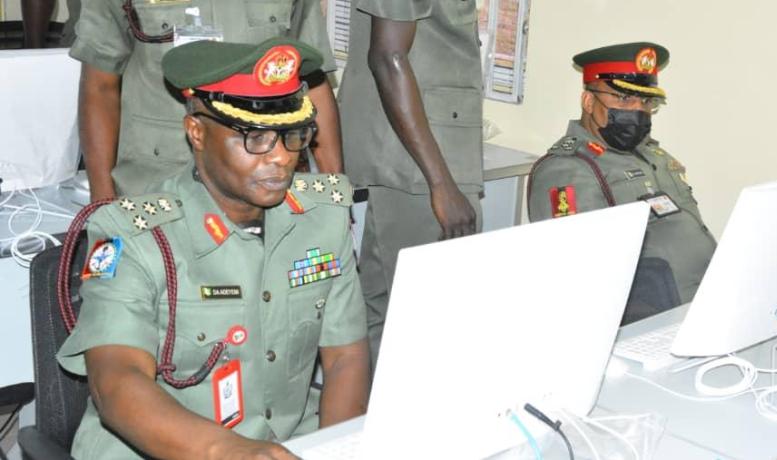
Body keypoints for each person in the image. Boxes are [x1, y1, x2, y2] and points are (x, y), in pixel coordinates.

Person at [57, 38, 368, 459]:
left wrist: (339, 450)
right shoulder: (133, 235)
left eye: (292, 135)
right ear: (197, 132)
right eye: (256, 138)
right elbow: (116, 382)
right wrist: (230, 453)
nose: (280, 157)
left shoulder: (323, 218)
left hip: (289, 444)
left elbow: (346, 357)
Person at [72, 0, 343, 201]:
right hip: (157, 184)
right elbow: (100, 86)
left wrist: (335, 195)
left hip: (263, 179)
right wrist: (102, 201)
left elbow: (311, 79)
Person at [337, 0, 484, 369]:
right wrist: (442, 183)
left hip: (421, 155)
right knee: (430, 332)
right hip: (421, 165)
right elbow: (387, 58)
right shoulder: (435, 180)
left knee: (381, 315)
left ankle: (367, 406)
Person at [527, 42, 717, 325]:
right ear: (588, 101)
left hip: (701, 306)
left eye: (646, 102)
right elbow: (579, 275)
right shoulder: (568, 169)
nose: (638, 111)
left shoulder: (654, 156)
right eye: (625, 99)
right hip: (647, 322)